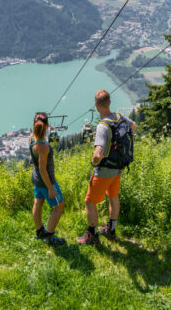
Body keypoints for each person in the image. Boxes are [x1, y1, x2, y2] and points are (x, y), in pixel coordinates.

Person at [77, 90, 136, 245]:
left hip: (104, 171)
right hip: (119, 167)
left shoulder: (103, 126)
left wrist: (94, 163)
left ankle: (92, 235)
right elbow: (133, 127)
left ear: (96, 105)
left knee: (90, 202)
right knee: (113, 197)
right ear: (109, 102)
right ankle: (111, 230)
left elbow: (98, 154)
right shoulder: (119, 116)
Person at [29, 112, 66, 246]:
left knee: (37, 203)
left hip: (36, 179)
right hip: (46, 181)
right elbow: (43, 169)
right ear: (47, 126)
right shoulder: (43, 147)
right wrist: (50, 188)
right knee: (59, 206)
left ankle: (40, 231)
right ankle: (49, 237)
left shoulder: (31, 138)